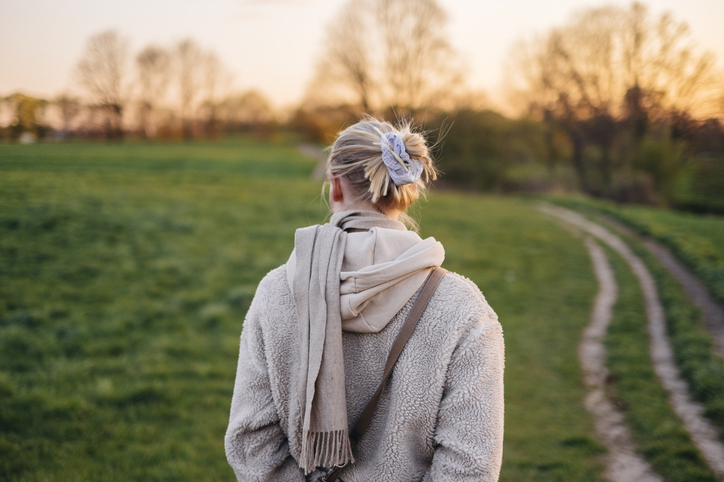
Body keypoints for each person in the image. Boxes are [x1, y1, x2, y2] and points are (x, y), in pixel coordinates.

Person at [225, 117, 504, 481]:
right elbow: (471, 465)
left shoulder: (276, 292)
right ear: (406, 189)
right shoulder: (461, 307)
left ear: (335, 187)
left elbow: (251, 444)